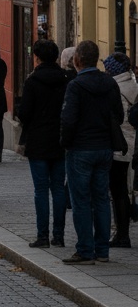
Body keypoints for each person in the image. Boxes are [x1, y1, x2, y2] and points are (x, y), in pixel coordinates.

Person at [60, 40, 123, 263]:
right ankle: (102, 251)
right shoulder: (110, 83)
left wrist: (65, 142)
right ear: (96, 59)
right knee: (102, 199)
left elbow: (68, 120)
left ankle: (85, 250)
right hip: (104, 148)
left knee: (81, 201)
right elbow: (119, 115)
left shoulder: (76, 86)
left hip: (80, 149)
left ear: (77, 60)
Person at [17, 40, 68, 249]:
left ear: (37, 57)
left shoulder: (32, 82)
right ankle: (59, 236)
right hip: (61, 140)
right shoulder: (66, 80)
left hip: (38, 141)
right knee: (58, 189)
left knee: (41, 190)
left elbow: (24, 114)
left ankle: (43, 236)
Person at [103, 53, 136, 247]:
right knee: (123, 190)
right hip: (131, 143)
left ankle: (122, 234)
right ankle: (122, 232)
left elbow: (118, 119)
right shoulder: (133, 84)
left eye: (107, 67)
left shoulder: (117, 88)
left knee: (118, 191)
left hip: (120, 145)